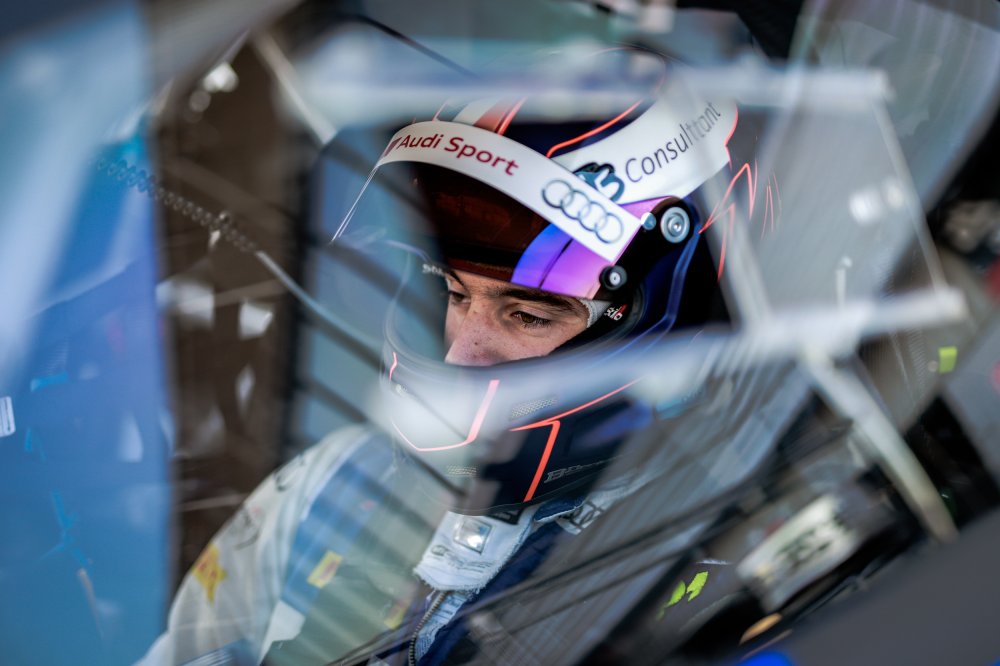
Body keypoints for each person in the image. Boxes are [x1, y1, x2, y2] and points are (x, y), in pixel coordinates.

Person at [142, 47, 771, 665]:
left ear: (678, 319)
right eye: (450, 290)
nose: (461, 354)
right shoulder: (333, 486)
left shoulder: (734, 560)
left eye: (529, 315)